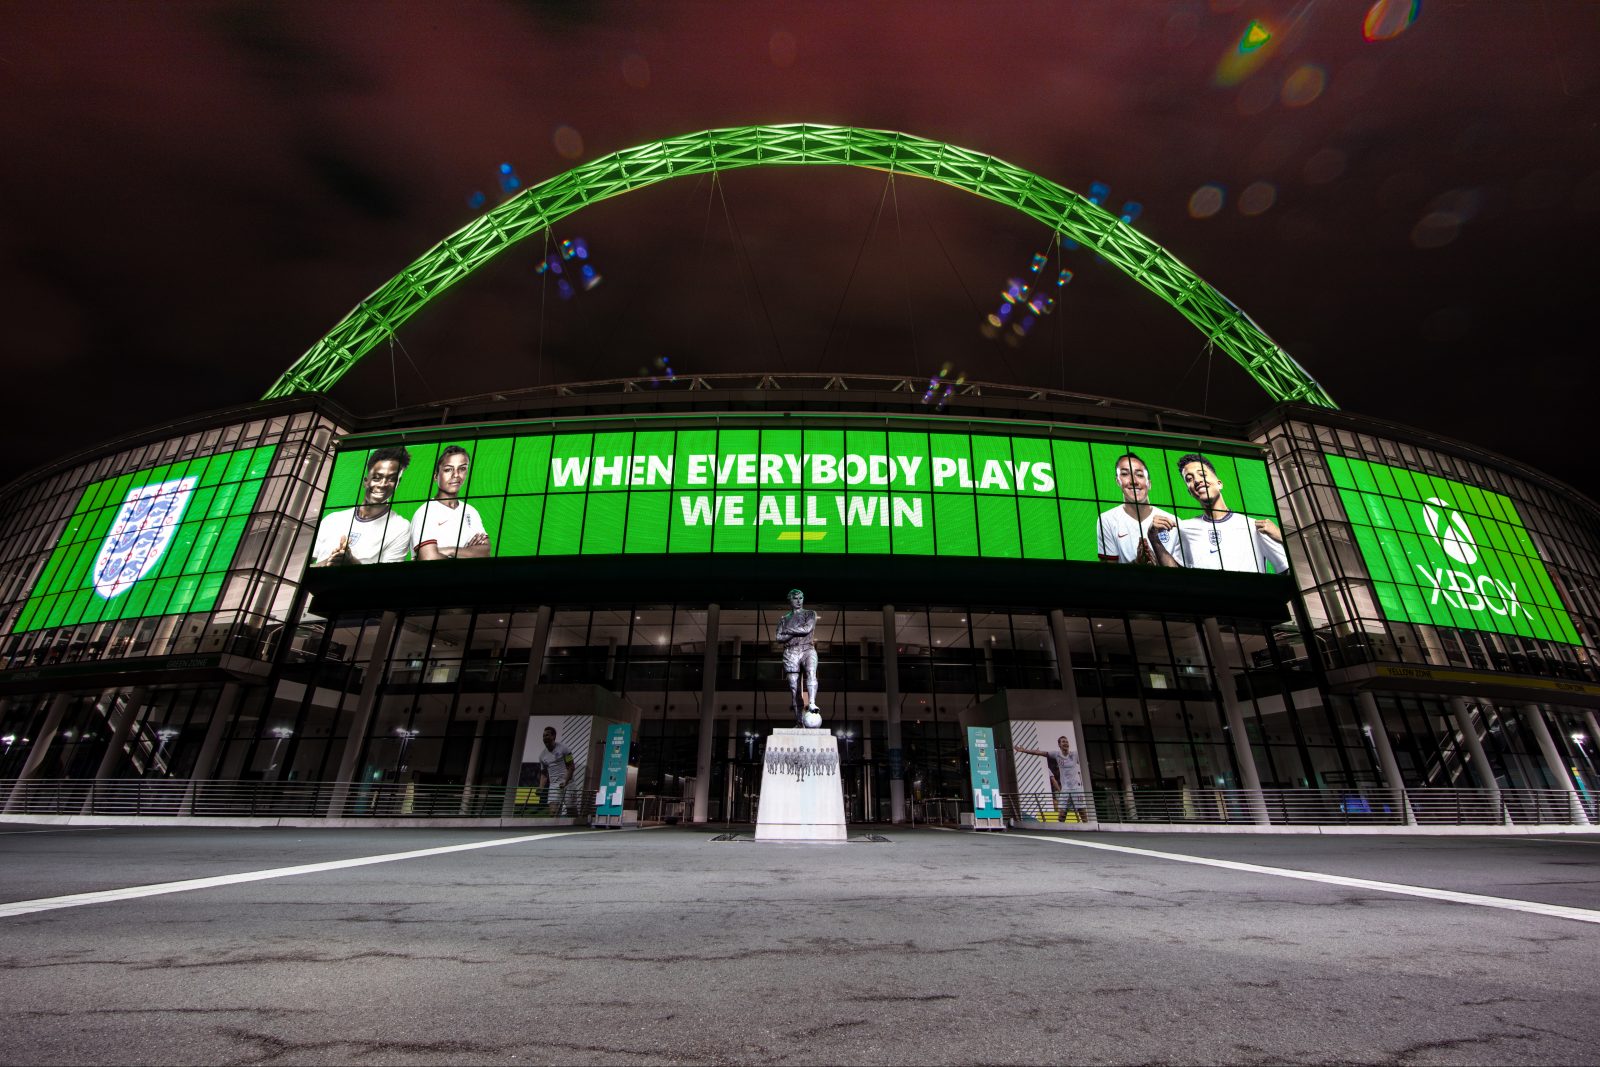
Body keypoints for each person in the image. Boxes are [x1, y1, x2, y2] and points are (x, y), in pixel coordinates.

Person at [1148, 453, 1288, 574]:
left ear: (1219, 483)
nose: (1197, 480)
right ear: (1190, 491)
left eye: (1202, 474)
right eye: (1189, 479)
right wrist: (1154, 539)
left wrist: (1282, 537)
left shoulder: (1255, 526)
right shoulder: (1185, 528)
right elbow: (1177, 577)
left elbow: (1285, 570)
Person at [311, 447, 412, 566]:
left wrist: (350, 562)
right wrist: (328, 563)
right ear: (365, 481)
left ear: (398, 484)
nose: (383, 484)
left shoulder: (400, 527)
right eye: (377, 478)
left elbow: (387, 578)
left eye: (392, 479)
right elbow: (306, 567)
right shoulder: (332, 520)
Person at [410, 445, 492, 560]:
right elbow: (429, 558)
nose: (456, 475)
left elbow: (485, 552)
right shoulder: (425, 512)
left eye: (462, 468)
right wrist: (466, 552)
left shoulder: (471, 512)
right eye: (448, 469)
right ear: (435, 476)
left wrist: (450, 550)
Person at [1096, 452, 1178, 565]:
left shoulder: (1173, 520)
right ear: (1117, 481)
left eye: (1139, 475)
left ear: (1149, 483)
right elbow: (1108, 575)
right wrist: (1137, 563)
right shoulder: (1107, 519)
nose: (1134, 481)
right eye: (1125, 474)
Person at [1014, 732, 1085, 820]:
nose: (1066, 743)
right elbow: (1038, 752)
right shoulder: (1056, 754)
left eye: (1066, 741)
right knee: (1062, 813)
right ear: (1059, 745)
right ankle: (1062, 830)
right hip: (1065, 788)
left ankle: (1088, 828)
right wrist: (1024, 750)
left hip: (1077, 788)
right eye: (1063, 742)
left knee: (1082, 810)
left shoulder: (1074, 754)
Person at [777, 588, 820, 727]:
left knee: (811, 672)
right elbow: (779, 637)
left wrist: (788, 631)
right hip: (791, 652)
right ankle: (799, 721)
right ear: (790, 600)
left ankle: (812, 702)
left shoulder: (810, 613)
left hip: (807, 648)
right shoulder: (784, 619)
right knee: (794, 687)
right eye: (795, 598)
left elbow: (807, 629)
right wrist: (794, 633)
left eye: (801, 598)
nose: (798, 601)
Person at [537, 725, 577, 815]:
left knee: (572, 812)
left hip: (568, 784)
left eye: (547, 735)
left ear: (553, 736)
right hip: (554, 786)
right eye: (543, 736)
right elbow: (544, 774)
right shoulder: (542, 756)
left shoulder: (564, 749)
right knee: (553, 812)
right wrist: (540, 787)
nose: (545, 738)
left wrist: (566, 781)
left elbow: (571, 767)